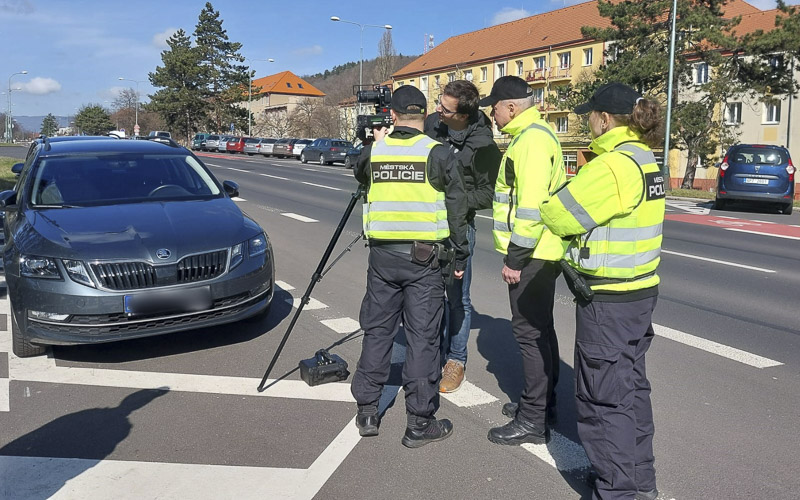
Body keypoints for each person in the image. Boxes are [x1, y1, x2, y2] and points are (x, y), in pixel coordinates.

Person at [539, 82, 665, 500]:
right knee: (630, 391)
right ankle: (640, 481)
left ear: (605, 119)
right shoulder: (644, 158)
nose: (587, 119)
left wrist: (565, 188)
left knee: (602, 400)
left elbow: (558, 214)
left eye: (589, 114)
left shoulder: (611, 166)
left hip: (608, 299)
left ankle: (616, 492)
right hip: (639, 292)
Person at [351, 85, 470, 448]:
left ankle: (368, 410)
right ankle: (419, 422)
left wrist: (379, 142)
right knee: (422, 340)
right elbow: (457, 210)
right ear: (425, 116)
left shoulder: (374, 152)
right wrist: (461, 256)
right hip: (424, 261)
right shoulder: (439, 154)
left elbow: (360, 178)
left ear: (393, 115)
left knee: (378, 331)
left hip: (383, 259)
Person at [480, 76, 566, 446]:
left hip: (532, 254)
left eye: (494, 107)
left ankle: (533, 420)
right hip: (543, 252)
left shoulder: (530, 141)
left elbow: (529, 207)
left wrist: (515, 258)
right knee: (541, 330)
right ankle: (542, 404)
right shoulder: (537, 134)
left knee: (530, 335)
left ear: (511, 107)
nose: (492, 114)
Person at [424, 80, 502, 393]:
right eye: (438, 103)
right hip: (425, 223)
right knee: (427, 292)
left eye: (445, 108)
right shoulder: (433, 124)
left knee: (458, 298)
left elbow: (489, 193)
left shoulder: (484, 146)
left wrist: (454, 199)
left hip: (459, 226)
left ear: (464, 116)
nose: (438, 111)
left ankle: (455, 360)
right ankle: (429, 354)